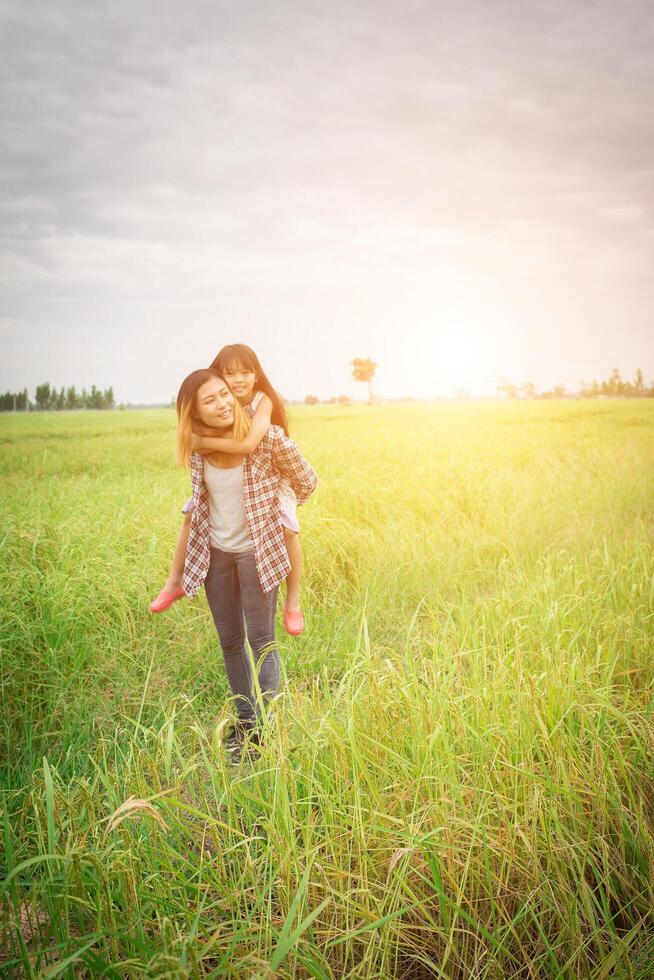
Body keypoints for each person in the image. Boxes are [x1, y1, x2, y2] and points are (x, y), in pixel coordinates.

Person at [172, 368, 317, 762]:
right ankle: (247, 722)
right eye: (209, 400)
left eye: (224, 394)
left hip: (257, 554)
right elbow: (199, 501)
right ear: (194, 414)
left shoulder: (266, 438)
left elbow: (308, 479)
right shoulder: (200, 452)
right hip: (217, 555)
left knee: (262, 640)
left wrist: (281, 508)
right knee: (230, 643)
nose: (221, 404)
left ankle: (267, 730)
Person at [150, 344, 306, 635]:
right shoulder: (219, 400)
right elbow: (199, 430)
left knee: (287, 529)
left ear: (257, 375)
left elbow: (248, 446)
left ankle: (293, 601)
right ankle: (175, 581)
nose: (238, 380)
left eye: (246, 372)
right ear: (217, 375)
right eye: (229, 373)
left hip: (274, 478)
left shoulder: (262, 402)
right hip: (237, 483)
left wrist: (202, 443)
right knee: (190, 514)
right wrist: (198, 440)